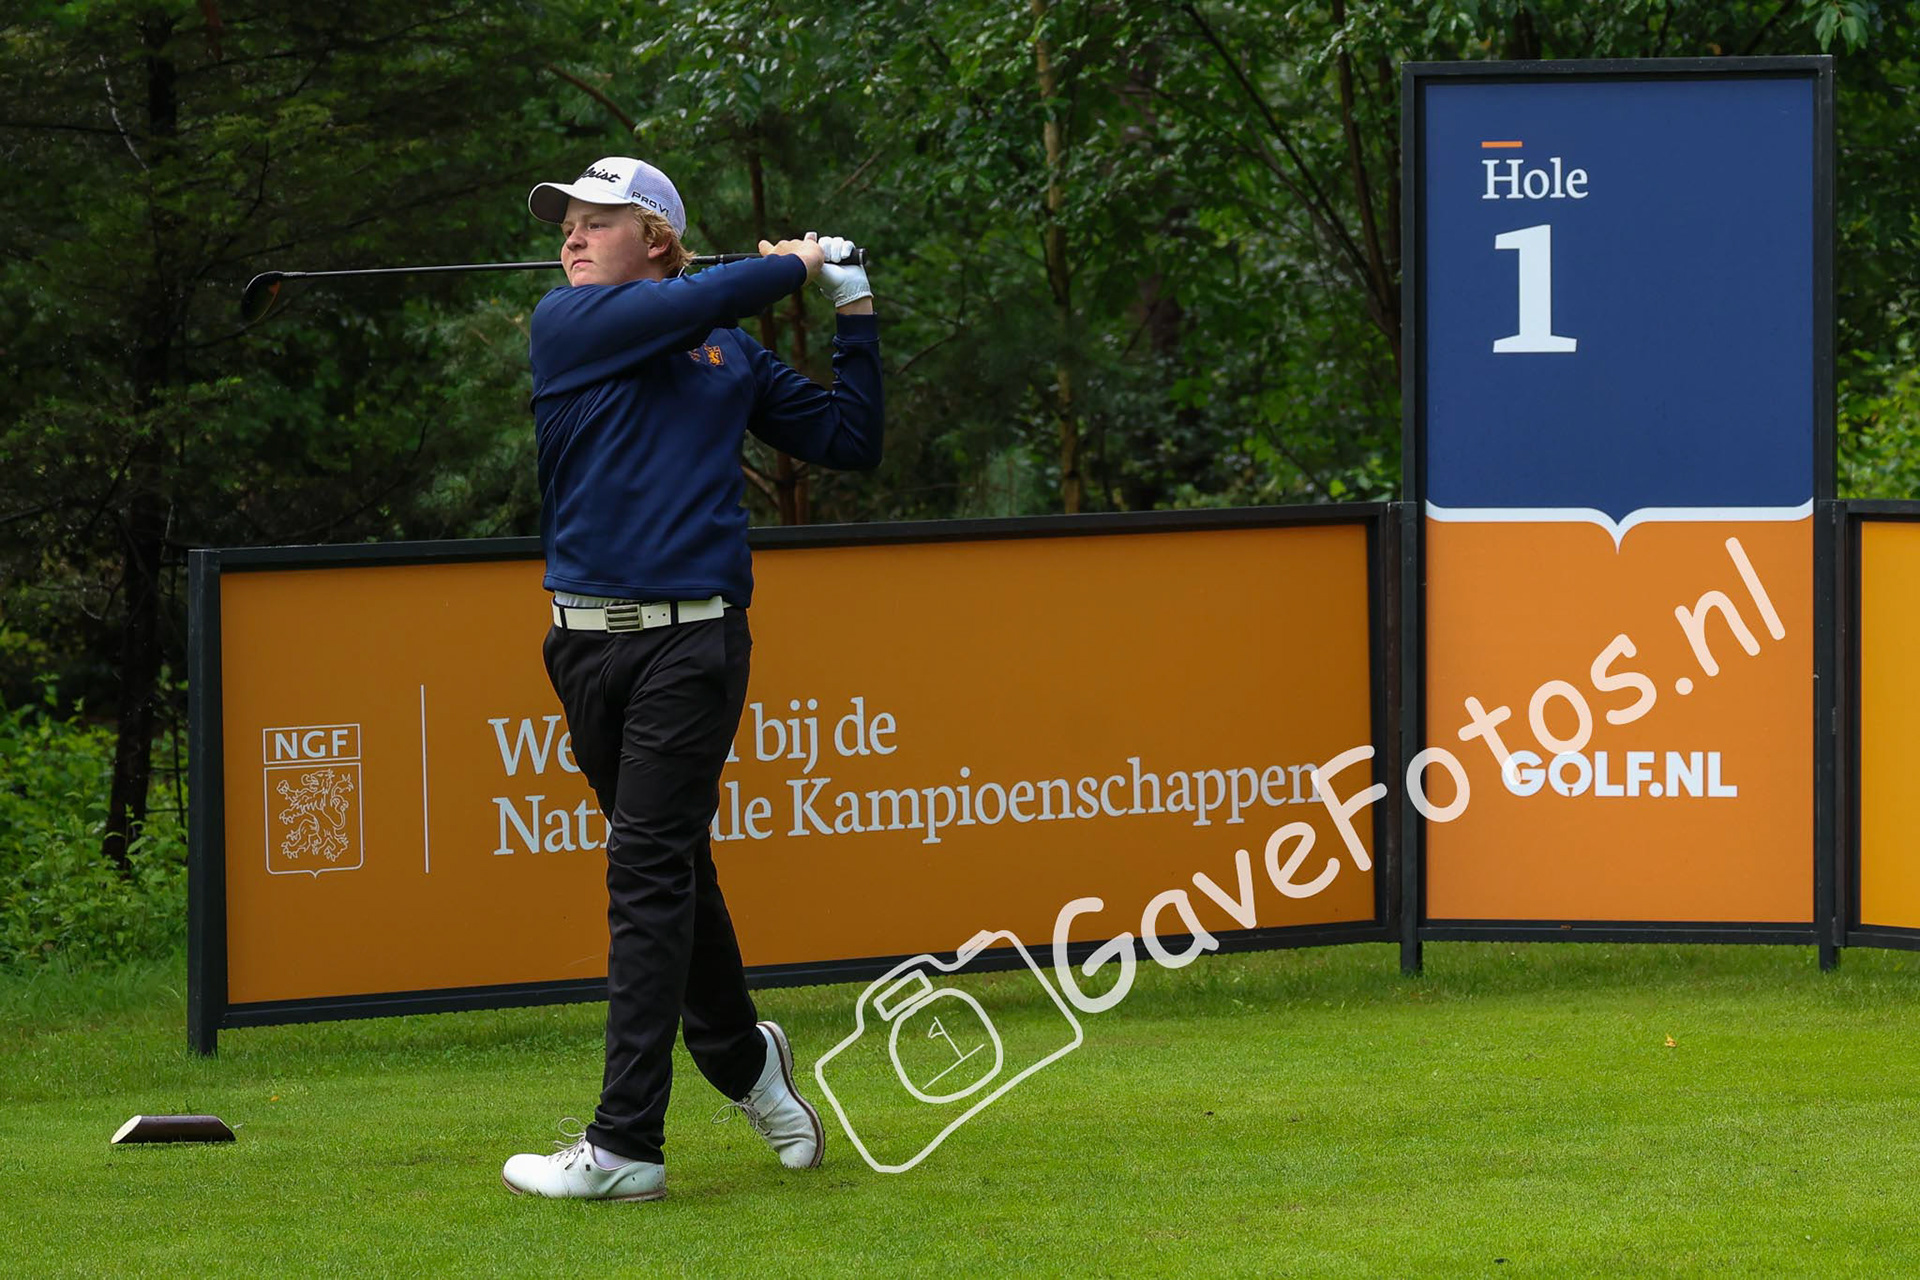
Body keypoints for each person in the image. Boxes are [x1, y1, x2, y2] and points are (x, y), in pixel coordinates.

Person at [500, 156, 882, 1201]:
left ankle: (625, 1143)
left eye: (598, 221)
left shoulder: (728, 355)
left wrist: (851, 305)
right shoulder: (566, 326)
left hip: (692, 643)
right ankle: (746, 1060)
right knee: (667, 862)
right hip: (582, 645)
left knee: (647, 866)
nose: (571, 238)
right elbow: (710, 295)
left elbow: (852, 438)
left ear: (659, 238)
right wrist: (793, 265)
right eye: (566, 223)